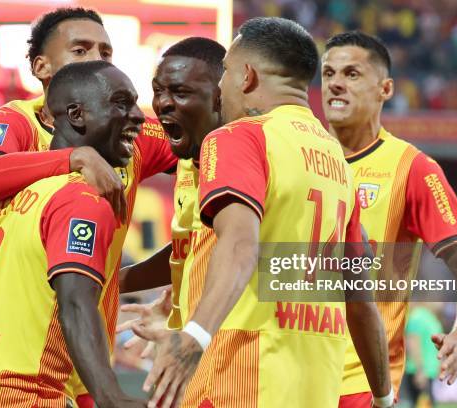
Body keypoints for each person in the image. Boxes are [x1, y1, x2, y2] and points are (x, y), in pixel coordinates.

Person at [144, 17, 392, 408]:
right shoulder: (337, 162)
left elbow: (241, 243)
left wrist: (195, 334)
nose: (221, 88)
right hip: (316, 388)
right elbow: (360, 295)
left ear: (246, 76)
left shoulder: (239, 137)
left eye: (225, 72)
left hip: (238, 381)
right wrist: (383, 396)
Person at [0, 7, 176, 407]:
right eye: (81, 50)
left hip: (67, 369)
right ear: (41, 66)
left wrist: (124, 280)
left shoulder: (128, 133)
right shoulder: (18, 125)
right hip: (18, 375)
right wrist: (75, 158)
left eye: (106, 52)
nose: (97, 61)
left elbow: (213, 165)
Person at [320, 31, 457, 407]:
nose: (335, 83)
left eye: (351, 74)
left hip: (361, 387)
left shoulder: (412, 169)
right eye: (328, 73)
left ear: (385, 89)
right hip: (289, 377)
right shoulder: (296, 152)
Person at [119, 37, 226, 334]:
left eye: (180, 92)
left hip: (240, 361)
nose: (163, 103)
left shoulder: (246, 157)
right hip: (198, 354)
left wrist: (197, 333)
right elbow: (189, 249)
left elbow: (247, 251)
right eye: (157, 91)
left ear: (221, 96)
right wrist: (109, 283)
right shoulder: (190, 158)